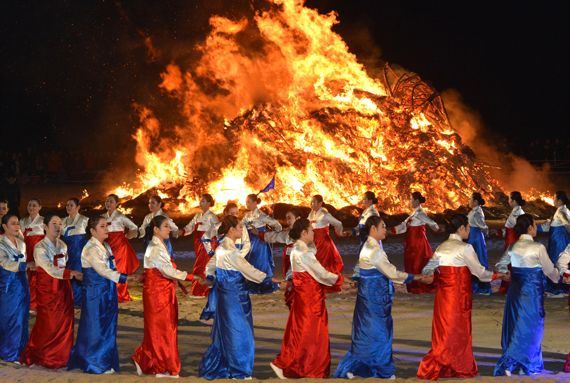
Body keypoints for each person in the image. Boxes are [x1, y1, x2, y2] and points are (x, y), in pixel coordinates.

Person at [335, 216, 424, 379]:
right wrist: (416, 277)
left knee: (366, 334)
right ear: (373, 229)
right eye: (383, 227)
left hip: (367, 296)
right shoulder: (374, 250)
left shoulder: (368, 246)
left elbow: (362, 269)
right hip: (375, 298)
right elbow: (392, 273)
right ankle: (383, 370)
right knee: (381, 333)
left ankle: (357, 368)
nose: (385, 229)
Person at [417, 214, 497, 380]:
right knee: (459, 331)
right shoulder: (465, 248)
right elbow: (480, 273)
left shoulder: (441, 247)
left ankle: (442, 360)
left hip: (443, 298)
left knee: (444, 331)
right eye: (467, 227)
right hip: (458, 298)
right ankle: (458, 364)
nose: (469, 230)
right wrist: (498, 276)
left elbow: (428, 271)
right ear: (461, 228)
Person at [199, 215, 271, 380]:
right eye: (239, 227)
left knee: (227, 332)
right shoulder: (230, 251)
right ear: (231, 230)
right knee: (240, 333)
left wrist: (210, 276)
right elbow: (248, 270)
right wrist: (269, 280)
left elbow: (210, 265)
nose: (241, 229)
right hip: (235, 298)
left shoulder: (222, 247)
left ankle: (228, 366)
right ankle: (239, 370)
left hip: (226, 296)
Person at [270, 217, 340, 379]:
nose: (314, 232)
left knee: (301, 331)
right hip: (310, 298)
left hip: (306, 295)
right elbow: (321, 274)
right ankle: (300, 366)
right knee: (312, 333)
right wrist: (339, 279)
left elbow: (315, 265)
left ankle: (294, 364)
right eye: (311, 230)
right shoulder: (302, 252)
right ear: (303, 233)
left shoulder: (300, 249)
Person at [494, 214, 561, 376]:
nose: (536, 228)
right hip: (531, 294)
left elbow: (500, 265)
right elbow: (550, 271)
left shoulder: (513, 246)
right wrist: (559, 276)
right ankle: (527, 363)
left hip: (515, 292)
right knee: (531, 327)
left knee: (516, 324)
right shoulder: (538, 248)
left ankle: (512, 363)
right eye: (534, 225)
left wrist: (506, 274)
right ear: (530, 227)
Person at [132, 216, 196, 378]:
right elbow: (167, 270)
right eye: (166, 226)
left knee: (159, 329)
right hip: (157, 295)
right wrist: (190, 277)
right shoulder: (155, 247)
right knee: (163, 330)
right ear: (156, 229)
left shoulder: (159, 245)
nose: (170, 229)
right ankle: (163, 366)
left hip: (162, 292)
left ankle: (145, 359)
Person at [67, 216, 129, 374]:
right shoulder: (91, 248)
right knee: (95, 326)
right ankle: (94, 362)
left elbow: (111, 266)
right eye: (102, 226)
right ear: (93, 231)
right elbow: (102, 270)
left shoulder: (105, 246)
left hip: (107, 291)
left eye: (106, 225)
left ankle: (105, 360)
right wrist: (123, 278)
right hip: (95, 293)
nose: (106, 229)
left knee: (108, 326)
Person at [20, 214, 83, 368]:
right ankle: (46, 356)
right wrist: (71, 273)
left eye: (60, 223)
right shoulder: (40, 247)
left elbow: (63, 263)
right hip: (48, 289)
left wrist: (68, 275)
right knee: (48, 322)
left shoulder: (62, 245)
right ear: (45, 227)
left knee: (65, 321)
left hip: (63, 288)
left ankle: (62, 355)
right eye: (54, 223)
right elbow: (49, 268)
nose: (58, 226)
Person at [199, 202, 251, 321]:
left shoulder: (240, 227)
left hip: (236, 257)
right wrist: (211, 252)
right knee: (219, 283)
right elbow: (205, 238)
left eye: (236, 213)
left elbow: (247, 244)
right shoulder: (218, 226)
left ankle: (235, 311)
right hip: (222, 258)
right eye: (231, 213)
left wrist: (238, 256)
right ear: (225, 213)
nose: (234, 215)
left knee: (237, 285)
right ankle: (214, 309)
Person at [391, 191, 439, 294]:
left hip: (418, 244)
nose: (410, 202)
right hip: (412, 243)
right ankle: (414, 286)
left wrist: (437, 228)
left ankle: (419, 287)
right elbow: (404, 225)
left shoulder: (420, 213)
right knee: (412, 263)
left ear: (417, 201)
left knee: (417, 264)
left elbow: (432, 223)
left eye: (411, 200)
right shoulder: (415, 212)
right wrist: (393, 230)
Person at [255, 208, 302, 308]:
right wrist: (260, 234)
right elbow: (275, 236)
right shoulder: (289, 232)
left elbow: (276, 236)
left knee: (295, 282)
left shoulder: (301, 233)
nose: (288, 221)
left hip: (297, 259)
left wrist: (260, 234)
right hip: (288, 257)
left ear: (298, 219)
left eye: (290, 218)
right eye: (286, 218)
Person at [0, 213, 29, 362]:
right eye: (13, 223)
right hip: (8, 286)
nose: (17, 226)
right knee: (10, 318)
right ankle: (8, 353)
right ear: (4, 226)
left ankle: (20, 350)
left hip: (22, 284)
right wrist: (24, 266)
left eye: (18, 223)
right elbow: (4, 263)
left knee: (23, 317)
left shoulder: (22, 244)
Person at [241, 194, 281, 294]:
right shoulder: (247, 216)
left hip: (260, 243)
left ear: (255, 203)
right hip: (250, 243)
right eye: (246, 202)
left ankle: (265, 286)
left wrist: (266, 234)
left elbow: (278, 226)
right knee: (251, 265)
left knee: (260, 264)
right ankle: (253, 285)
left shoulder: (261, 215)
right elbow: (240, 226)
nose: (247, 204)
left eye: (249, 202)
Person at [103, 194, 139, 302]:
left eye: (111, 201)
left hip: (120, 246)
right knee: (108, 268)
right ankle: (110, 293)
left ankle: (121, 294)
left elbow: (134, 227)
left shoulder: (120, 216)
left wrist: (127, 236)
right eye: (107, 201)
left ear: (117, 204)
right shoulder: (102, 217)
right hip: (107, 246)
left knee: (120, 269)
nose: (108, 204)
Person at [181, 194, 219, 297]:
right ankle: (199, 289)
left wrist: (209, 241)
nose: (200, 203)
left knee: (203, 266)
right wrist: (182, 231)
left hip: (207, 244)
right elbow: (190, 226)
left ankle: (204, 290)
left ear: (209, 203)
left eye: (203, 201)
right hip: (198, 243)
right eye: (200, 201)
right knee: (199, 264)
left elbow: (217, 230)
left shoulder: (212, 217)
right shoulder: (197, 216)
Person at [308, 194, 345, 293]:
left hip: (323, 243)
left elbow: (338, 223)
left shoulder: (324, 214)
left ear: (320, 203)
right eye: (311, 202)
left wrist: (339, 233)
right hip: (313, 242)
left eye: (314, 202)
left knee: (323, 264)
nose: (312, 204)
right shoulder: (312, 213)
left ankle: (325, 284)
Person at [538, 191, 570, 296]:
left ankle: (558, 287)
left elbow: (567, 225)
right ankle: (559, 285)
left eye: (554, 198)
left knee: (557, 263)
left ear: (560, 201)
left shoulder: (562, 212)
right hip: (557, 240)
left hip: (559, 241)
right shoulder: (562, 210)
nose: (553, 200)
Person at [62, 197, 89, 307]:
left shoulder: (85, 220)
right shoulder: (62, 221)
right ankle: (69, 299)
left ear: (78, 207)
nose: (68, 207)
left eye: (71, 205)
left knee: (79, 274)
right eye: (67, 205)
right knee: (67, 274)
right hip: (66, 253)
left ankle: (80, 300)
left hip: (79, 253)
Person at [498, 192, 525, 294]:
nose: (508, 201)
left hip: (513, 240)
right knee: (510, 262)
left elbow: (516, 228)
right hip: (510, 239)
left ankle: (511, 286)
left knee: (511, 262)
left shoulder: (518, 213)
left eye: (509, 199)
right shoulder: (515, 211)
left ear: (513, 201)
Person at [20, 198, 44, 311]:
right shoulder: (22, 221)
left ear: (40, 207)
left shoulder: (44, 221)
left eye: (34, 205)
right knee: (27, 277)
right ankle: (29, 302)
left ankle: (38, 303)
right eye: (29, 205)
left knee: (38, 276)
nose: (31, 207)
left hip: (38, 252)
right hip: (26, 251)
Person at [467, 192, 491, 295]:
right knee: (472, 261)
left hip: (476, 237)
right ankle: (474, 285)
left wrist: (485, 234)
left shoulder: (477, 212)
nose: (469, 201)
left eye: (470, 199)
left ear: (475, 201)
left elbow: (483, 226)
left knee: (479, 261)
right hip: (472, 236)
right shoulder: (474, 211)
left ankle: (483, 288)